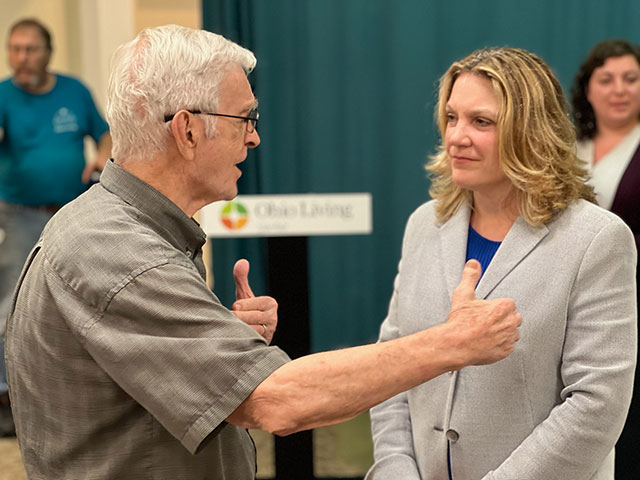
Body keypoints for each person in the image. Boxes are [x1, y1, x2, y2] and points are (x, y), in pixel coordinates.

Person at [4, 25, 522, 479]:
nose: (253, 139)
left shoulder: (129, 231)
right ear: (187, 130)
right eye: (245, 118)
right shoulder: (121, 252)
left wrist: (216, 344)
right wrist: (454, 344)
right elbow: (279, 402)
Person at [367, 47, 637, 480]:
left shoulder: (597, 239)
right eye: (452, 117)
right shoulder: (424, 224)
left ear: (531, 131)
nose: (456, 136)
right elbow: (390, 367)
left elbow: (595, 404)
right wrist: (396, 471)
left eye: (482, 121)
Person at [0, 18, 112, 436]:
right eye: (14, 49)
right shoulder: (3, 95)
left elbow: (104, 135)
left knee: (79, 298)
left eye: (29, 49)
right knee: (11, 304)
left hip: (73, 212)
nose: (21, 58)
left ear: (48, 53)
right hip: (20, 213)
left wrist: (101, 158)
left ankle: (81, 391)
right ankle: (7, 396)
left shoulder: (74, 91)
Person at [571, 38, 640, 479]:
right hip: (570, 302)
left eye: (631, 79)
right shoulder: (568, 146)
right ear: (589, 89)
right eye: (607, 79)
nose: (620, 89)